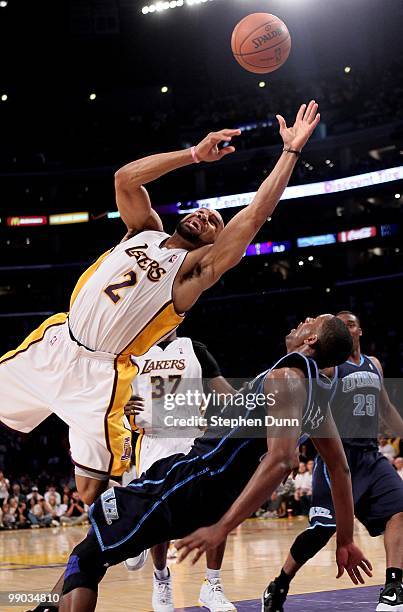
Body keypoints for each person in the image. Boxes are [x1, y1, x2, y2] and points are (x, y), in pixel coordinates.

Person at [1, 100, 320, 507]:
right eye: (203, 212)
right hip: (56, 343)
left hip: (101, 375)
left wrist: (290, 152)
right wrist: (193, 155)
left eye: (214, 223)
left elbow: (254, 217)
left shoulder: (192, 272)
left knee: (88, 491)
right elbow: (124, 179)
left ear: (212, 244)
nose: (205, 217)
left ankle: (121, 519)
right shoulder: (143, 230)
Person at [59, 314, 372, 612]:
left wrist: (222, 528)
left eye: (311, 320)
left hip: (191, 479)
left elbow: (283, 458)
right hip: (204, 486)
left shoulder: (286, 377)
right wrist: (345, 538)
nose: (304, 321)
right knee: (91, 550)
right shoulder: (317, 391)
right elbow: (338, 468)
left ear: (312, 338)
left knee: (86, 559)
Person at [263, 310, 403, 612]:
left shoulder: (374, 365)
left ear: (359, 331)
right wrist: (286, 448)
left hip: (370, 456)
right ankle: (280, 584)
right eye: (340, 325)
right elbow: (305, 404)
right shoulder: (328, 367)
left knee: (400, 511)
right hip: (338, 458)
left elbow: (387, 408)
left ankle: (394, 587)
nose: (346, 328)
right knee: (321, 531)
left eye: (350, 323)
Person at [123, 331, 237, 612]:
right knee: (159, 520)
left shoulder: (195, 350)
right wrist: (120, 406)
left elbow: (229, 396)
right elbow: (113, 398)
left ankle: (212, 585)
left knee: (216, 509)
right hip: (154, 439)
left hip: (193, 438)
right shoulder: (133, 351)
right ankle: (161, 579)